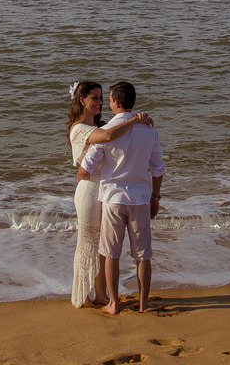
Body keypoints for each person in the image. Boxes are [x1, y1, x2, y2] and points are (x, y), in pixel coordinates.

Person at [77, 81, 165, 314]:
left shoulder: (107, 132)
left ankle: (113, 303)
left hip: (113, 198)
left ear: (116, 103)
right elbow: (158, 169)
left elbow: (87, 166)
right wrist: (155, 197)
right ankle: (144, 302)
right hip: (140, 198)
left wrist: (80, 180)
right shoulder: (149, 130)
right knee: (143, 255)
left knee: (111, 253)